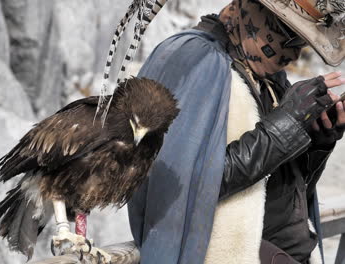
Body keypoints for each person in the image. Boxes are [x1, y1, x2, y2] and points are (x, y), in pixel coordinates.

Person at [126, 0, 345, 263]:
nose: (294, 56)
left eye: (301, 45)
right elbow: (181, 186)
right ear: (252, 8)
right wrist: (287, 123)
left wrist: (316, 141)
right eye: (288, 36)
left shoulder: (266, 76)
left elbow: (281, 195)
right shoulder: (192, 58)